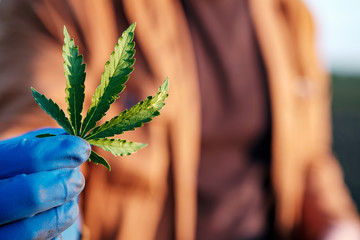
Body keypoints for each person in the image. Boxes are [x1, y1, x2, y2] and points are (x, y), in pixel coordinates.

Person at [0, 0, 359, 239]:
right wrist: (55, 212)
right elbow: (33, 125)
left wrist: (339, 227)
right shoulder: (69, 6)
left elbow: (310, 160)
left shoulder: (290, 16)